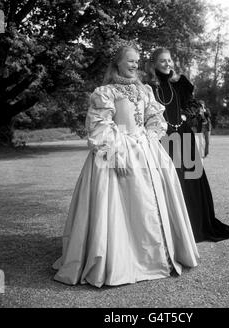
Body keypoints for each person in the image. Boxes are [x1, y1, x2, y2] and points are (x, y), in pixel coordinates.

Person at [52, 43, 199, 288]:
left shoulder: (144, 90)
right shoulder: (105, 92)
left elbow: (155, 118)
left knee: (151, 204)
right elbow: (99, 125)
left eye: (137, 61)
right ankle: (121, 258)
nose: (134, 65)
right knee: (119, 206)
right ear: (118, 62)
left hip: (146, 149)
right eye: (130, 60)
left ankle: (154, 255)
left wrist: (149, 139)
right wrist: (115, 153)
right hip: (117, 149)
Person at [146, 47, 229, 243]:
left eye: (169, 60)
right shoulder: (147, 87)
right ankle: (172, 228)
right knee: (170, 179)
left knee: (190, 178)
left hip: (183, 134)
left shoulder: (181, 83)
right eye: (162, 61)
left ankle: (195, 225)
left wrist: (186, 114)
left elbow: (194, 104)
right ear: (154, 64)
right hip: (162, 138)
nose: (167, 64)